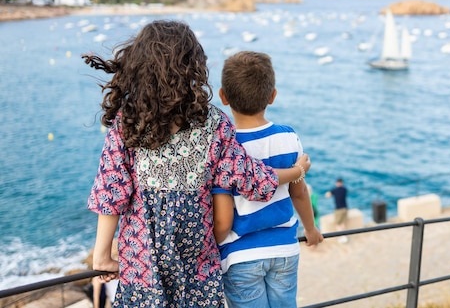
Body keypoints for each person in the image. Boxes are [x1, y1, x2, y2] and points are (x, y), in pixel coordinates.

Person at [83, 20, 311, 308]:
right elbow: (252, 178)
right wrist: (296, 171)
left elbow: (112, 193)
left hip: (144, 260)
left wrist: (102, 255)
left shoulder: (126, 123)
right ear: (192, 67)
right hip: (197, 260)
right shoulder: (213, 123)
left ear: (139, 65)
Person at [215, 50, 323, 308]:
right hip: (285, 248)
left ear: (223, 96)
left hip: (240, 255)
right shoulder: (288, 137)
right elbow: (299, 192)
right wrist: (310, 229)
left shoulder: (224, 146)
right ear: (272, 96)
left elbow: (223, 217)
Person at [325, 178, 349, 243]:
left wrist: (327, 194)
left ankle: (340, 237)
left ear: (337, 183)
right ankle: (344, 236)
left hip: (338, 209)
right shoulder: (344, 189)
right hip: (345, 208)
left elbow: (328, 195)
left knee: (338, 224)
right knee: (343, 223)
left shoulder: (335, 190)